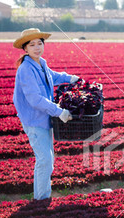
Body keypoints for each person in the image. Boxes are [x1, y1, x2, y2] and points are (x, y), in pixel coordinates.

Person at [13, 28, 79, 200]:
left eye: (40, 43)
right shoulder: (26, 69)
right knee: (44, 161)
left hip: (44, 119)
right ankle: (41, 200)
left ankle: (42, 198)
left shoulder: (41, 63)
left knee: (47, 160)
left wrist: (69, 78)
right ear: (25, 49)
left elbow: (53, 77)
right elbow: (34, 99)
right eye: (32, 45)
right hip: (34, 121)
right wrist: (60, 112)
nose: (37, 47)